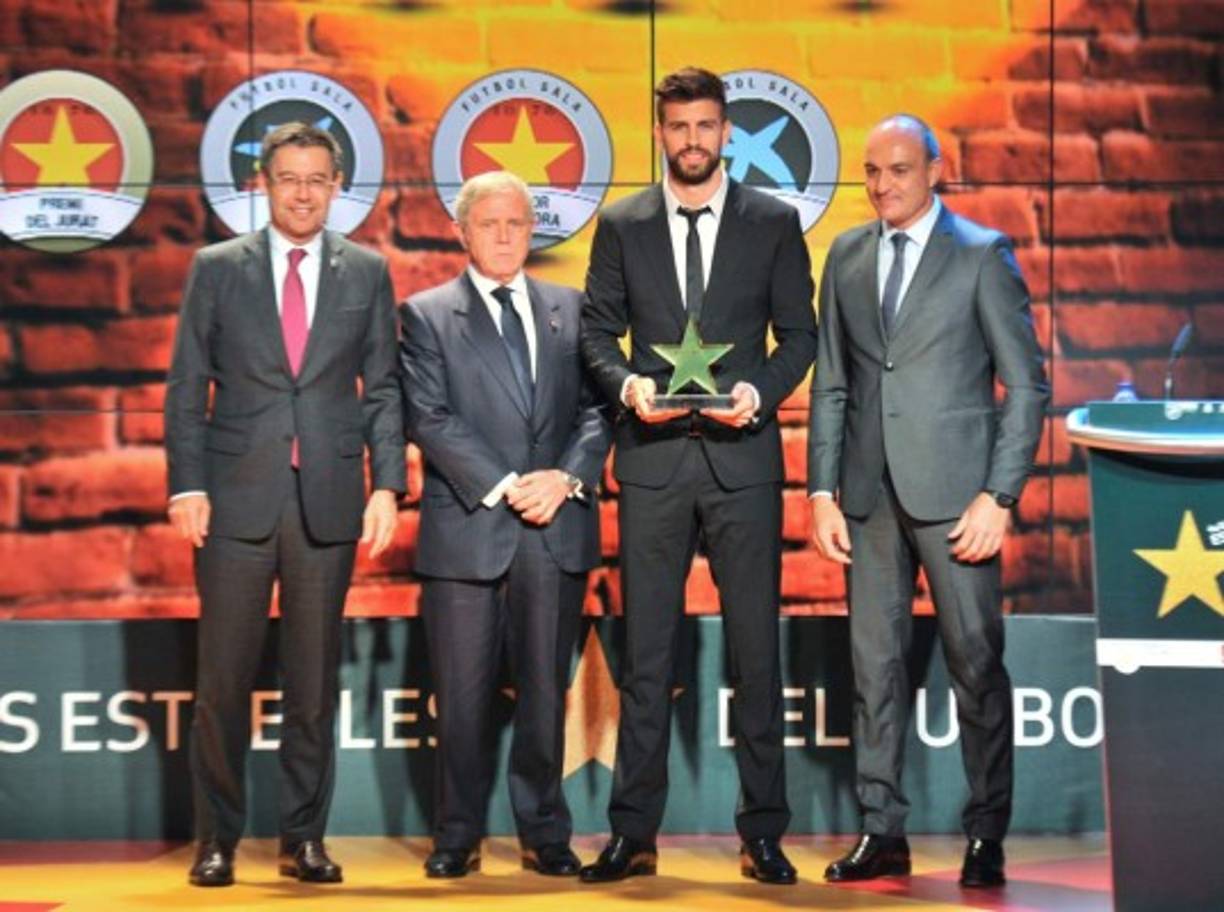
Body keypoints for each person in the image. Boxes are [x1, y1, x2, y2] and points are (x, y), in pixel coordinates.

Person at [579, 67, 817, 885]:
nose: (691, 140)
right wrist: (627, 386)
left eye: (705, 126)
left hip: (743, 462)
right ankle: (632, 833)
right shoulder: (621, 224)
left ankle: (762, 834)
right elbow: (597, 335)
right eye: (677, 127)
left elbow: (801, 338)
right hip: (650, 465)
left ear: (725, 131)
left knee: (756, 652)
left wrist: (761, 394)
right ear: (659, 133)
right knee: (647, 656)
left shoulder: (773, 222)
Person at [807, 114, 1049, 888]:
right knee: (872, 669)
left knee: (975, 664)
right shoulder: (844, 254)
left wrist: (999, 495)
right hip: (870, 497)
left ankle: (987, 833)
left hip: (958, 501)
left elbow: (1027, 386)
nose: (883, 185)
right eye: (872, 171)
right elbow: (834, 384)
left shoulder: (983, 255)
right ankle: (883, 831)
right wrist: (820, 489)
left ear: (936, 170)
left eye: (900, 169)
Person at [164, 122, 404, 887]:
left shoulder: (365, 271)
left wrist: (388, 486)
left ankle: (304, 840)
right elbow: (185, 386)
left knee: (312, 683)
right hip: (234, 501)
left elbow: (385, 390)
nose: (302, 192)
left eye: (316, 179)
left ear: (337, 187)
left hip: (327, 501)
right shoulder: (216, 268)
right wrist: (187, 483)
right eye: (288, 178)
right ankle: (216, 842)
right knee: (223, 684)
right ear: (262, 185)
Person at [399, 171, 612, 879]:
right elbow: (428, 417)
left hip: (554, 526)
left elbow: (596, 410)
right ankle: (455, 835)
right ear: (461, 231)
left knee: (546, 694)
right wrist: (504, 485)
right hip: (468, 528)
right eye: (487, 223)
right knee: (461, 698)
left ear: (532, 231)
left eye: (515, 223)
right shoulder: (426, 314)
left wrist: (565, 478)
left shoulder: (571, 309)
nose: (502, 235)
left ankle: (545, 832)